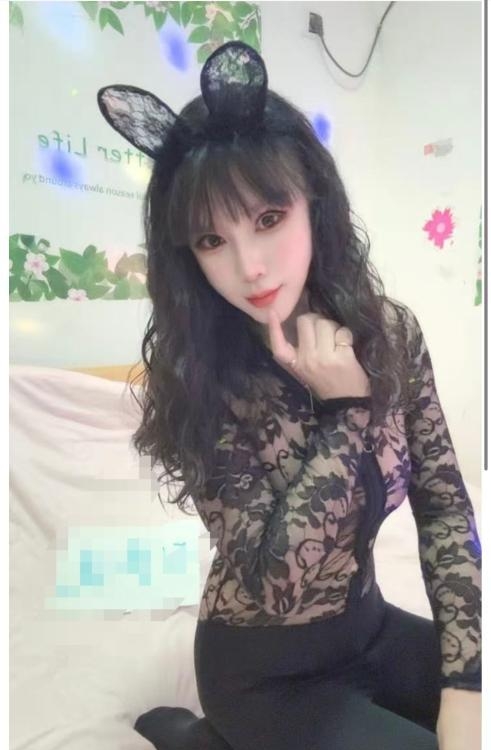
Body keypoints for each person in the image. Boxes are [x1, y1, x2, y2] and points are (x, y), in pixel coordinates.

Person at [97, 41, 481, 750]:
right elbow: (277, 583)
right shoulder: (197, 372)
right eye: (212, 240)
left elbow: (445, 506)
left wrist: (465, 686)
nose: (248, 266)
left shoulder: (391, 333)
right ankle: (201, 738)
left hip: (370, 631)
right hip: (263, 674)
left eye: (268, 218)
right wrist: (345, 412)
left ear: (313, 203)